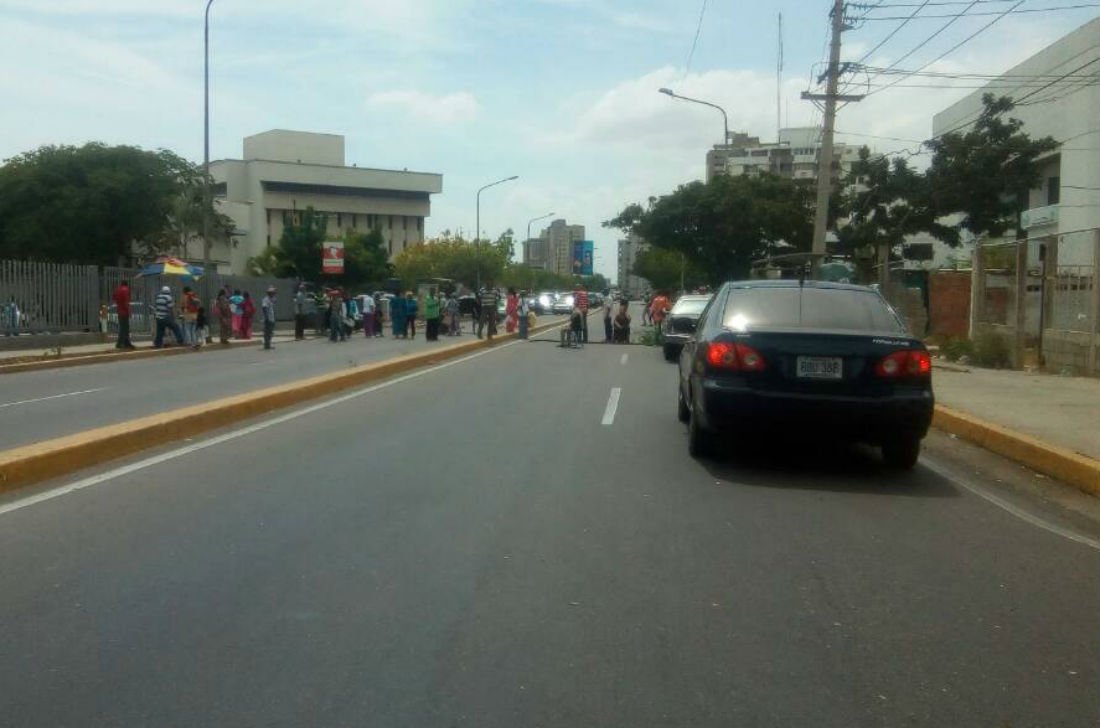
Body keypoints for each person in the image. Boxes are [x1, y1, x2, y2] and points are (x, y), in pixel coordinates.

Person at [112, 281, 134, 349]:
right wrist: (129, 311)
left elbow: (114, 297)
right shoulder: (126, 290)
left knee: (124, 328)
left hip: (119, 311)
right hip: (124, 311)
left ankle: (126, 343)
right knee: (124, 328)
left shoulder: (117, 289)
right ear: (127, 285)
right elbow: (126, 301)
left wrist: (118, 303)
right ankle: (119, 343)